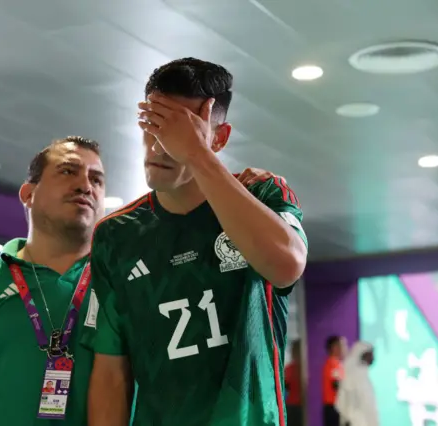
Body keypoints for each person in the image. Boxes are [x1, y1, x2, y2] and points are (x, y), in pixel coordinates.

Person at [0, 134, 275, 426]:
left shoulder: (131, 277)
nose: (86, 186)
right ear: (28, 193)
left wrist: (230, 187)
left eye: (97, 179)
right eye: (68, 172)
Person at [84, 57, 308, 426]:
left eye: (181, 132)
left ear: (218, 137)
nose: (159, 147)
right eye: (153, 127)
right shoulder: (116, 235)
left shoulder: (263, 194)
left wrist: (198, 153)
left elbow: (286, 266)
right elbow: (110, 372)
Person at [334, 341, 378, 426]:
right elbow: (346, 402)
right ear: (362, 354)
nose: (372, 357)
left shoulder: (363, 374)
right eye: (370, 354)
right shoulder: (353, 375)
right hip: (356, 421)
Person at [322, 335, 347, 426]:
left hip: (338, 406)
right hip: (333, 407)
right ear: (334, 347)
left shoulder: (338, 364)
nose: (345, 348)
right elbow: (336, 385)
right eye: (342, 345)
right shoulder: (332, 363)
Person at [284, 340, 303, 426]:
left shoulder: (288, 369)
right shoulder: (306, 369)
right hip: (299, 406)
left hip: (292, 406)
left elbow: (284, 388)